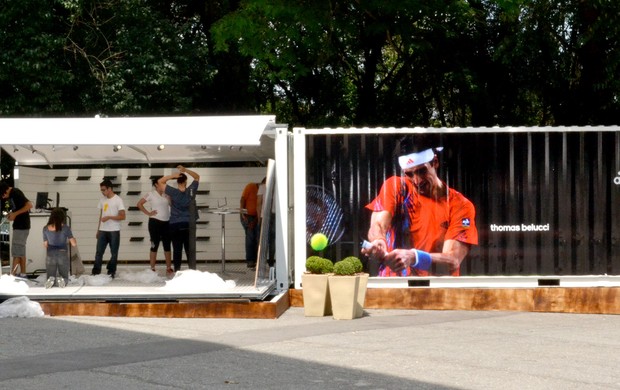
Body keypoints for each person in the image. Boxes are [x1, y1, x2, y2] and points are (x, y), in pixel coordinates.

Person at [362, 146, 478, 276]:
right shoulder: (396, 186)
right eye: (409, 174)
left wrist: (413, 257)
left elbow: (453, 261)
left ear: (435, 162)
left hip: (436, 290)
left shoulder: (461, 205)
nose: (417, 181)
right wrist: (379, 240)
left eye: (422, 171)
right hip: (394, 286)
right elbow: (377, 224)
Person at [158, 165, 200, 272]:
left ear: (177, 182)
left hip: (175, 225)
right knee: (190, 250)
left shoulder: (173, 192)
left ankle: (177, 271)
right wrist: (185, 170)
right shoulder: (191, 190)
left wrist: (173, 176)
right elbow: (197, 177)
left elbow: (160, 182)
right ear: (186, 182)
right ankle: (192, 272)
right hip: (189, 224)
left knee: (177, 250)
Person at [137, 178, 172, 276]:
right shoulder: (151, 194)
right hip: (154, 222)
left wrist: (170, 200)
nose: (164, 184)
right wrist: (148, 213)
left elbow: (172, 206)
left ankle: (169, 268)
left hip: (166, 222)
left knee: (167, 245)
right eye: (162, 182)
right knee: (154, 245)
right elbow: (139, 204)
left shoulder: (167, 194)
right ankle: (152, 268)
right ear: (156, 184)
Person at [93, 179, 126, 278]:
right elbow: (101, 215)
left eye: (104, 190)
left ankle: (111, 271)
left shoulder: (118, 200)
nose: (102, 192)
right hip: (103, 230)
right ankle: (96, 271)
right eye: (101, 190)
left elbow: (123, 216)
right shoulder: (102, 200)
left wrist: (109, 217)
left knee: (114, 253)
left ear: (110, 189)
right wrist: (98, 229)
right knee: (99, 252)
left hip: (114, 231)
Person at [0, 181, 32, 276]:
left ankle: (13, 275)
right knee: (20, 251)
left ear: (5, 191)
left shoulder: (16, 193)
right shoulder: (11, 196)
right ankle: (23, 274)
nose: (3, 198)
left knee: (17, 252)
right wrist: (11, 214)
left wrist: (15, 214)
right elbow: (16, 209)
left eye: (2, 195)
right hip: (19, 225)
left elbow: (29, 205)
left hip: (22, 226)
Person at [43, 207, 77, 288]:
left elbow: (45, 244)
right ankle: (62, 280)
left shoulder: (45, 228)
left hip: (50, 254)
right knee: (64, 275)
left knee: (50, 274)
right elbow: (73, 244)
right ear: (62, 217)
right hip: (62, 253)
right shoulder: (65, 228)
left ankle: (51, 280)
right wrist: (74, 240)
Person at [240, 179, 260, 269]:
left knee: (256, 238)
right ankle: (250, 261)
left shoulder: (262, 191)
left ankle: (255, 260)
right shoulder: (251, 186)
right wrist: (242, 213)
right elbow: (242, 199)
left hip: (255, 216)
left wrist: (256, 219)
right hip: (247, 215)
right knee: (250, 238)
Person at [256, 177, 276, 267]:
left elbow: (258, 203)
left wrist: (259, 218)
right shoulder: (278, 187)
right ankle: (271, 261)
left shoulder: (262, 187)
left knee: (263, 239)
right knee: (273, 239)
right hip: (275, 215)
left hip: (265, 215)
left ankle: (261, 261)